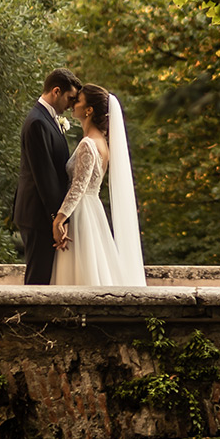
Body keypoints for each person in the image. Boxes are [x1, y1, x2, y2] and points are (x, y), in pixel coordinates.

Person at [51, 83, 146, 287]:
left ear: (89, 110)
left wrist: (59, 220)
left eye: (79, 100)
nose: (73, 103)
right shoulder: (101, 142)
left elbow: (78, 188)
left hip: (82, 213)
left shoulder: (88, 144)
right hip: (93, 210)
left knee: (81, 274)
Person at [13, 68, 82, 285]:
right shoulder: (37, 122)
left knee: (45, 278)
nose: (72, 104)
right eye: (70, 98)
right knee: (37, 279)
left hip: (44, 214)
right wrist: (58, 218)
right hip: (38, 214)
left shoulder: (49, 120)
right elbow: (45, 175)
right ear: (56, 91)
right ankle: (29, 319)